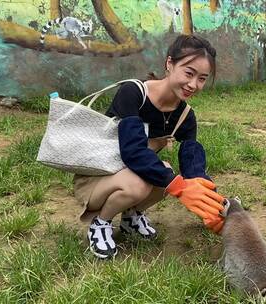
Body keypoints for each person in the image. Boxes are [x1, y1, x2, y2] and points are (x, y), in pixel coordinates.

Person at [73, 34, 225, 259]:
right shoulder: (133, 93)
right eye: (189, 73)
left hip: (131, 172)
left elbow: (192, 161)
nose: (193, 84)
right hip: (97, 177)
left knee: (164, 171)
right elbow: (133, 152)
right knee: (144, 182)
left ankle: (131, 217)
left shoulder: (185, 116)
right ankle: (101, 223)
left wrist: (206, 195)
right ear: (169, 64)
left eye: (202, 78)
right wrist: (178, 186)